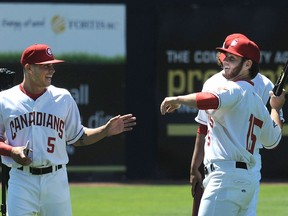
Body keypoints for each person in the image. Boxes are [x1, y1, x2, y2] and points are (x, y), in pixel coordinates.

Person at [0, 44, 136, 216]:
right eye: (45, 66)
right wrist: (11, 151)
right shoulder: (5, 99)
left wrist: (105, 131)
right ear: (29, 68)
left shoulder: (62, 97)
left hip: (56, 179)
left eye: (52, 65)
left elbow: (78, 137)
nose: (52, 70)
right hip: (22, 179)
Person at [160, 37, 285, 215]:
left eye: (232, 58)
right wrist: (275, 108)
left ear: (248, 64)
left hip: (225, 180)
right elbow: (273, 140)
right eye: (225, 56)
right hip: (246, 181)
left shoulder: (235, 89)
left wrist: (178, 99)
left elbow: (210, 99)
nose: (225, 60)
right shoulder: (258, 103)